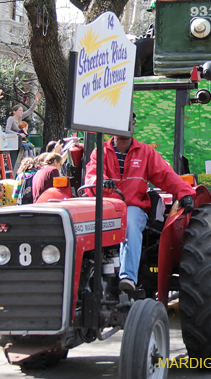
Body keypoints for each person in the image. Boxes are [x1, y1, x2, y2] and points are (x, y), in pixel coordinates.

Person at [84, 113, 196, 292]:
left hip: (132, 207)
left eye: (129, 123)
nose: (126, 127)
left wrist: (185, 192)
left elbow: (165, 175)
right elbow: (91, 176)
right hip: (107, 209)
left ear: (134, 125)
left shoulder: (145, 153)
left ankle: (128, 277)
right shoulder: (101, 152)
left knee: (129, 223)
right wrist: (102, 181)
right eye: (121, 123)